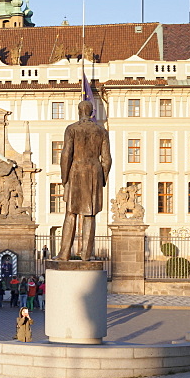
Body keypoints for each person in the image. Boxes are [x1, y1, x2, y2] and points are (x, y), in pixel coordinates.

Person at [55, 100, 112, 261]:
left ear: (79, 111)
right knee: (90, 214)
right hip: (94, 172)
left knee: (70, 213)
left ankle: (64, 253)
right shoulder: (101, 131)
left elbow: (66, 154)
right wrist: (102, 179)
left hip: (76, 171)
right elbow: (107, 159)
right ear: (92, 112)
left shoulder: (72, 129)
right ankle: (87, 254)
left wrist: (64, 177)